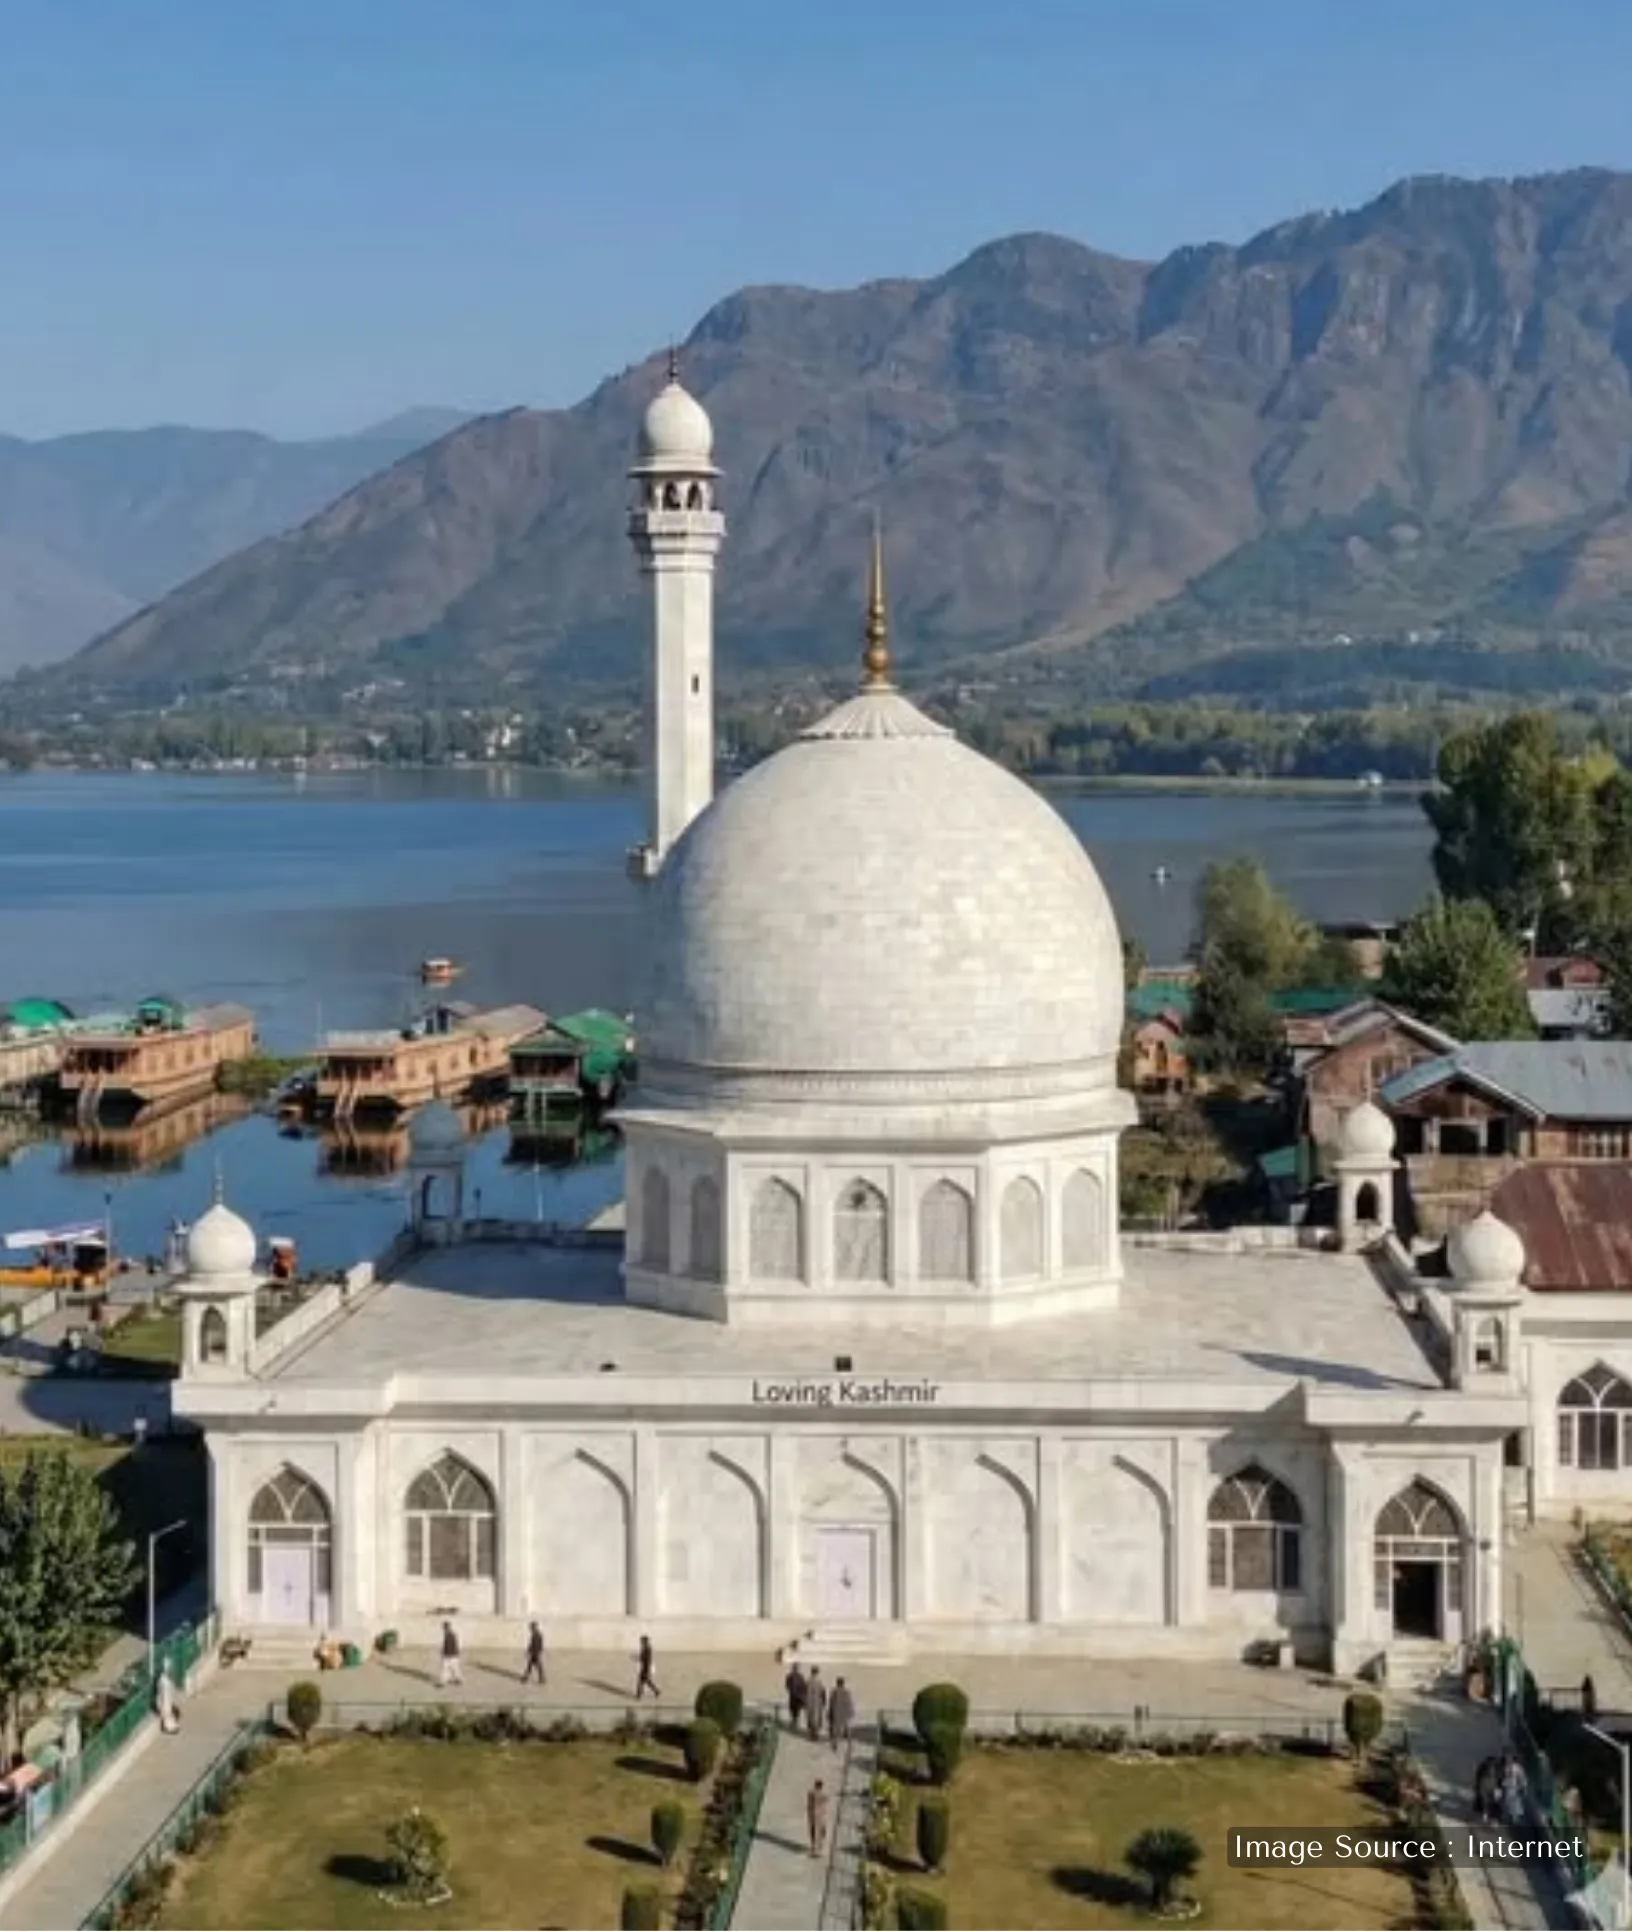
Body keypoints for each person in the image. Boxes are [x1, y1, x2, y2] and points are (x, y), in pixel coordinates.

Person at [153, 1662, 181, 1736]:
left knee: (170, 1713)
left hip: (166, 1702)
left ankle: (171, 1725)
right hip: (163, 1703)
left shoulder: (166, 1680)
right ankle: (168, 1727)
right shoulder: (163, 1681)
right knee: (167, 1713)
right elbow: (164, 1696)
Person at [829, 1676, 855, 1752]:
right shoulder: (846, 1692)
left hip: (837, 1713)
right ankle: (850, 1744)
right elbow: (849, 1703)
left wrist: (830, 1713)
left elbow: (831, 1703)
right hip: (845, 1714)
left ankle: (835, 1744)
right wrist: (851, 1712)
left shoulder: (834, 1692)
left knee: (836, 1730)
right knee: (847, 1728)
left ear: (837, 1683)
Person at [806, 1778, 829, 1858]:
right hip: (820, 1815)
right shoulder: (822, 1795)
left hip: (814, 1814)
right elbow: (826, 1800)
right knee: (820, 1831)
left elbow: (809, 1803)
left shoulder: (811, 1793)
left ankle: (815, 1847)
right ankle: (817, 1848)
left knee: (815, 1830)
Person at [438, 1619, 463, 1689]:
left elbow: (448, 1646)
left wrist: (444, 1653)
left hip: (449, 1655)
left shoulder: (448, 1635)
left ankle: (442, 1682)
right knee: (454, 1668)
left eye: (444, 1627)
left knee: (445, 1668)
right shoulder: (452, 1634)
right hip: (454, 1655)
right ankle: (458, 1679)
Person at [785, 1661, 808, 1732]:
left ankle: (794, 1725)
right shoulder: (800, 1676)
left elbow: (787, 1686)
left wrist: (791, 1691)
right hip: (798, 1698)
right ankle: (795, 1725)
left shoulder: (789, 1676)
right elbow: (804, 1687)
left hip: (793, 1697)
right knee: (796, 1712)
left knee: (793, 1711)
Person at [806, 1667, 828, 1743]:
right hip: (817, 1702)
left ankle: (812, 1734)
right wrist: (824, 1702)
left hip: (809, 1702)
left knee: (811, 1718)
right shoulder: (819, 1681)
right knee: (816, 1719)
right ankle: (815, 1735)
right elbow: (823, 1692)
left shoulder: (808, 1681)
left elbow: (805, 1692)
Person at [635, 1633, 660, 1701]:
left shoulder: (647, 1648)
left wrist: (637, 1658)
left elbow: (645, 1658)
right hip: (645, 1667)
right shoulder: (646, 1648)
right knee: (645, 1681)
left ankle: (639, 1695)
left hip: (646, 1667)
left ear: (645, 1641)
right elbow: (643, 1658)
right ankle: (655, 1691)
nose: (640, 1642)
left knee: (643, 1681)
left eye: (642, 1641)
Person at [521, 1620, 546, 1685]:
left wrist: (532, 1651)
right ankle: (540, 1678)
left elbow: (536, 1645)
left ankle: (526, 1678)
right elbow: (532, 1644)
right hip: (535, 1653)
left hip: (535, 1653)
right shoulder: (536, 1634)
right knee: (533, 1666)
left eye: (531, 1628)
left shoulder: (537, 1635)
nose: (530, 1629)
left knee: (534, 1666)